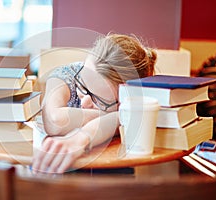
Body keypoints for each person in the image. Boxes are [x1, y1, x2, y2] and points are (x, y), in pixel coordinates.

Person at [32, 33, 157, 174]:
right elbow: (55, 121)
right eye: (83, 86)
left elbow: (126, 120)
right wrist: (108, 115)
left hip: (111, 170)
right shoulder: (68, 74)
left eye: (98, 99)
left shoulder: (142, 101)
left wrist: (82, 137)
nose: (84, 101)